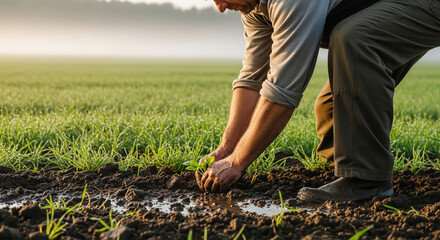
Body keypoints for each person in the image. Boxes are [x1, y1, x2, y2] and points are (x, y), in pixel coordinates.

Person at [197, 0, 440, 202]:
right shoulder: (253, 7)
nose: (221, 6)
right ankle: (343, 173)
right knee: (331, 106)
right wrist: (227, 149)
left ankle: (367, 181)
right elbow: (252, 79)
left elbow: (283, 89)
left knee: (355, 40)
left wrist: (238, 161)